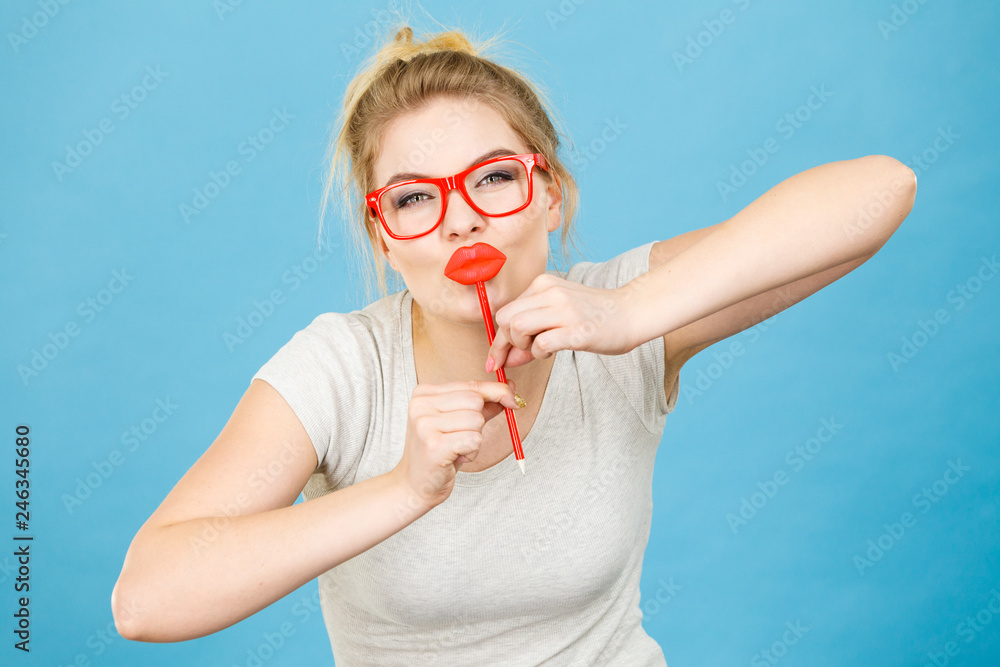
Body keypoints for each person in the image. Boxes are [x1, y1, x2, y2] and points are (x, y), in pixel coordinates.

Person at [111, 21, 916, 665]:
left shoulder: (620, 308)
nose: (462, 217)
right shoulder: (340, 371)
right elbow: (147, 598)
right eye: (416, 197)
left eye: (495, 177)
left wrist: (630, 315)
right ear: (383, 236)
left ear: (551, 195)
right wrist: (405, 489)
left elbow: (881, 190)